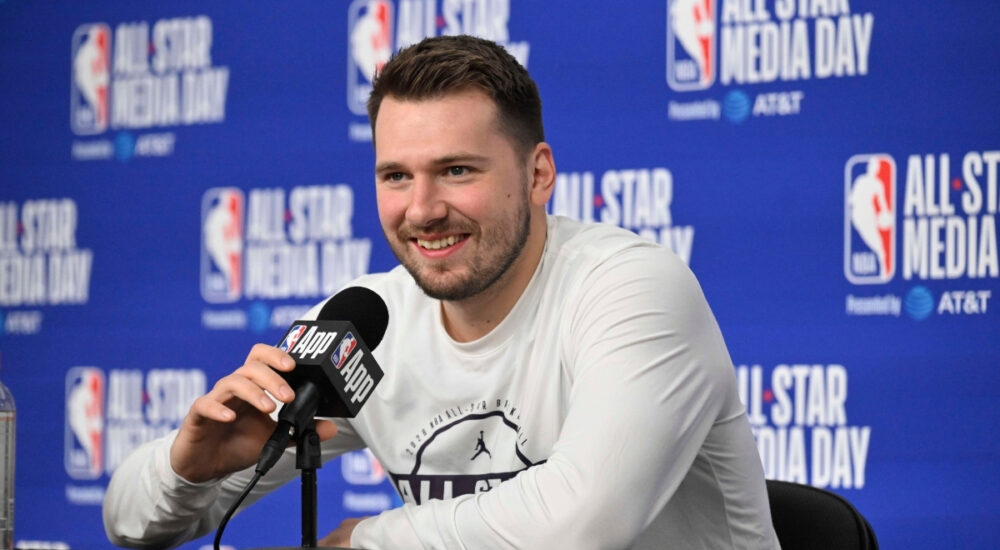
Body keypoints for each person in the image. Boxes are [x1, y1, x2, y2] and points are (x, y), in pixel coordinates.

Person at [103, 35, 779, 549]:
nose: (422, 209)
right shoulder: (367, 321)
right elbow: (128, 523)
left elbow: (584, 521)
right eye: (395, 176)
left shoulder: (631, 288)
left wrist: (366, 541)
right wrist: (189, 470)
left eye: (457, 170)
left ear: (539, 173)